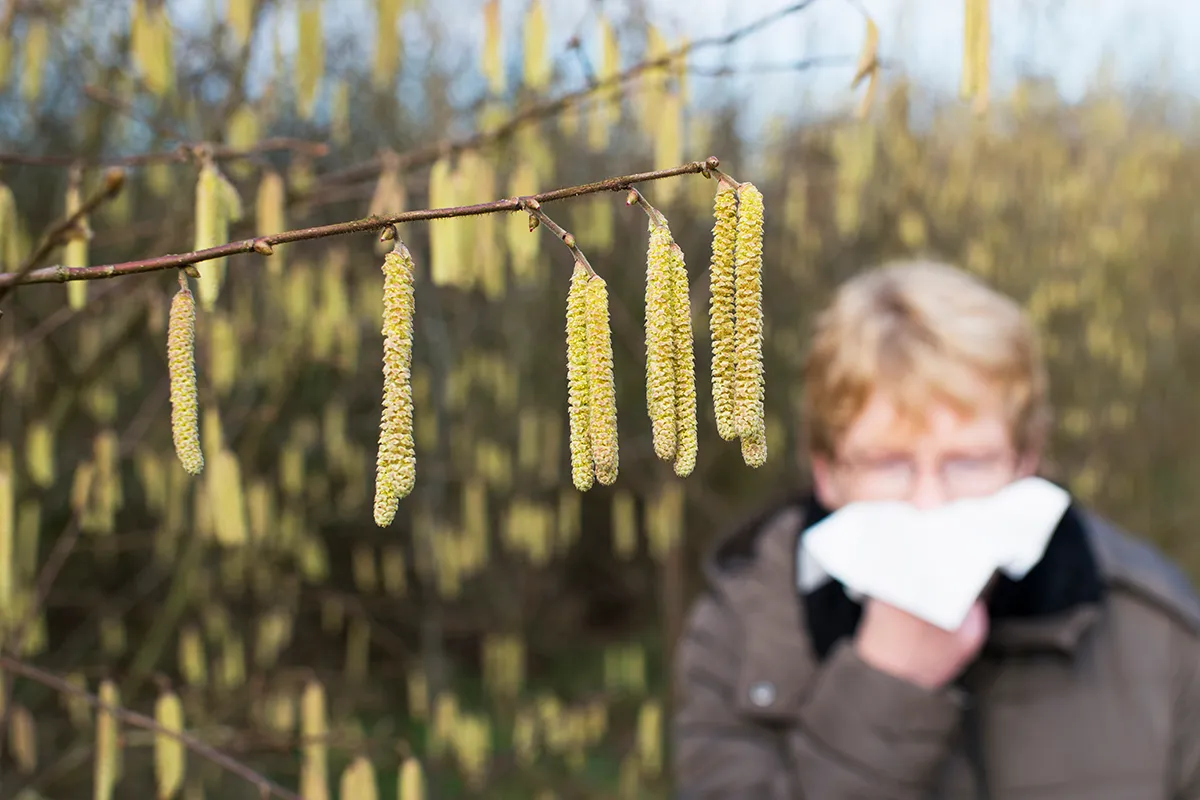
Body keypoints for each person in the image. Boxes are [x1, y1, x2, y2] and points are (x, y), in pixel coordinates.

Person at [671, 260, 1200, 799]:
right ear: (827, 472)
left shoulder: (1154, 625)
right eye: (887, 464)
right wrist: (885, 688)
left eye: (968, 462)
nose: (929, 504)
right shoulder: (746, 627)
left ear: (1025, 462)